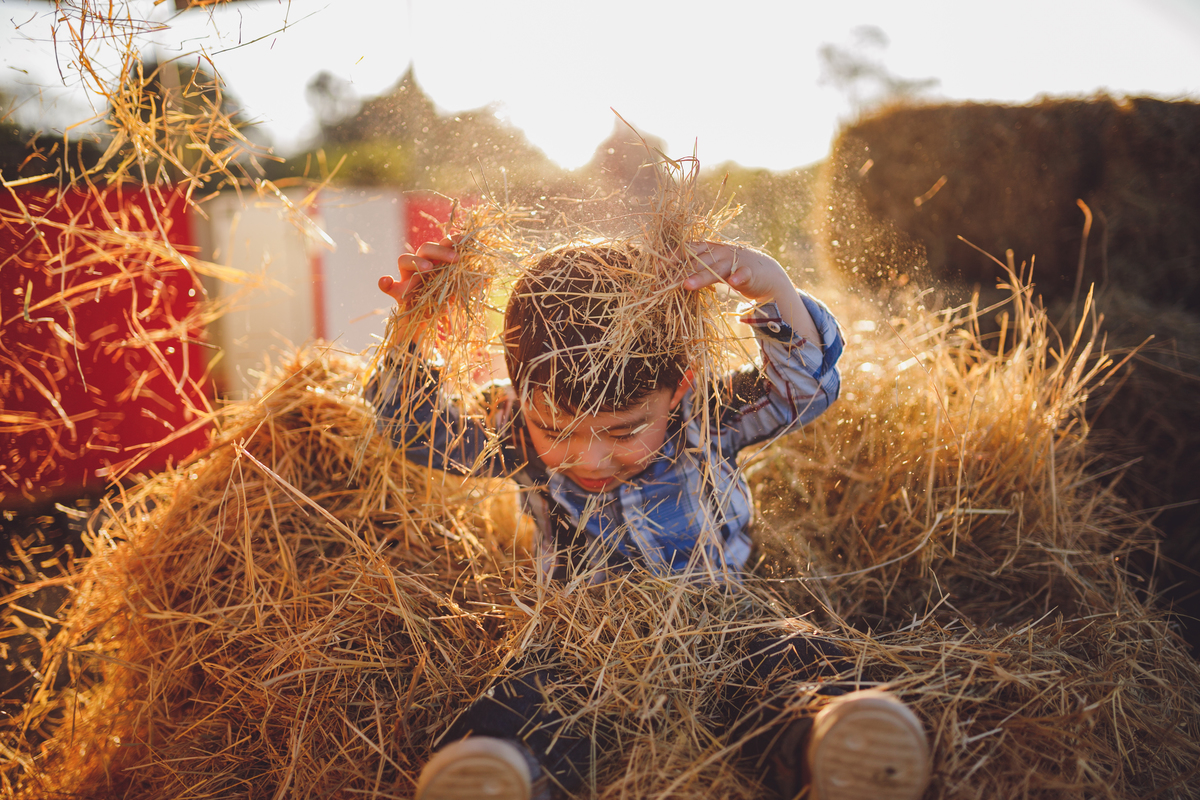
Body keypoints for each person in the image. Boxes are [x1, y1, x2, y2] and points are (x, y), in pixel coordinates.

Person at [367, 237, 930, 800]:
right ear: (520, 390)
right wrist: (413, 327)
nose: (590, 459)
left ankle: (830, 744)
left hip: (720, 622)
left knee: (791, 662)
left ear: (679, 386)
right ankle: (502, 773)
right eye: (557, 429)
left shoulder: (706, 418)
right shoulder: (513, 431)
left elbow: (802, 390)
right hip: (580, 642)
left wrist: (773, 286)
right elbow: (413, 429)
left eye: (623, 430)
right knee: (528, 699)